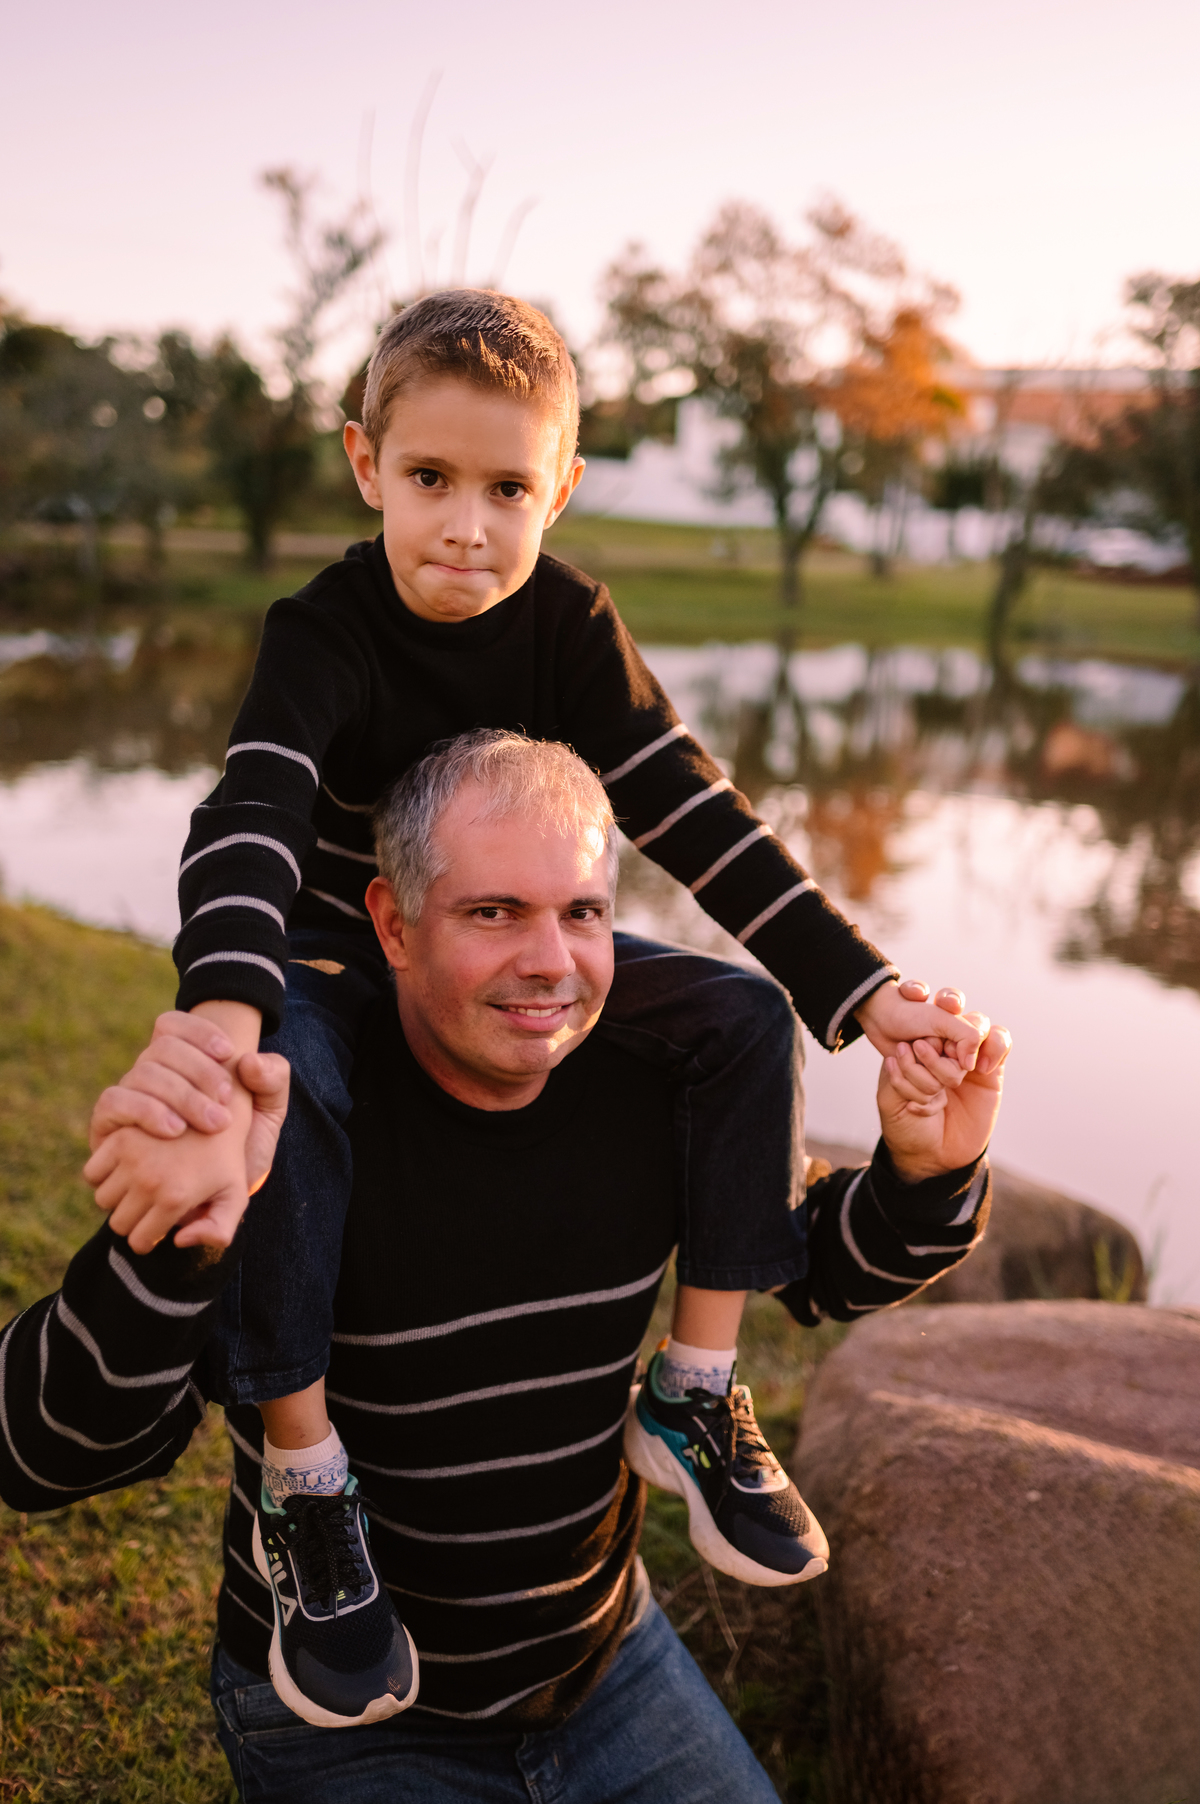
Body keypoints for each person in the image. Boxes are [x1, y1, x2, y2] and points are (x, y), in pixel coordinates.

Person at [85, 291, 992, 1723]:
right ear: (364, 464)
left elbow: (692, 810)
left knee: (740, 1022)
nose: (465, 525)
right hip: (336, 967)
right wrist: (224, 1002)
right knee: (290, 1083)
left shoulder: (569, 619)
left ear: (559, 489)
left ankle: (692, 1388)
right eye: (429, 479)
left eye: (508, 488)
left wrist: (861, 990)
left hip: (507, 959)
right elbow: (249, 807)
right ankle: (308, 1477)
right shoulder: (324, 627)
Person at [2, 731, 1008, 1802]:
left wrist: (926, 1170)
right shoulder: (287, 1119)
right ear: (392, 922)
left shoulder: (656, 1083)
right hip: (349, 1717)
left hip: (607, 1667)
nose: (550, 961)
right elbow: (42, 1454)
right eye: (494, 913)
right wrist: (162, 1246)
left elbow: (815, 1272)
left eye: (580, 912)